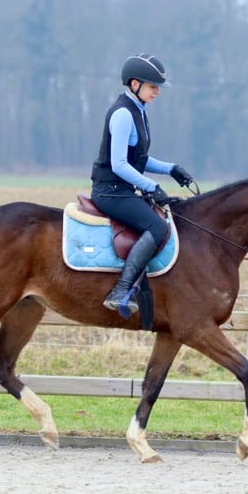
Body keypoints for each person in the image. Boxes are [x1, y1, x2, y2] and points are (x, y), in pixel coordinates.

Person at [90, 53, 194, 315]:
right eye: (152, 86)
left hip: (122, 189)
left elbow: (139, 159)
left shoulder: (138, 110)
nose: (157, 92)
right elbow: (119, 164)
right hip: (110, 191)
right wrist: (151, 187)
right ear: (135, 84)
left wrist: (171, 169)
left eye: (157, 87)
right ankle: (121, 290)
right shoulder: (123, 114)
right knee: (157, 227)